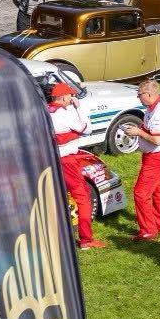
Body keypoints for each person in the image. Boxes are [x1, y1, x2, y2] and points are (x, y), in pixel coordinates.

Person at [48, 81, 102, 249]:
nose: (72, 98)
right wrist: (79, 108)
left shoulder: (47, 111)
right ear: (63, 97)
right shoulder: (62, 115)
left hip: (54, 158)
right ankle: (86, 239)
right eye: (70, 95)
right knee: (83, 197)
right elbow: (87, 128)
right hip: (67, 161)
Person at [123, 80, 160, 240]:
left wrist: (138, 133)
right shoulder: (159, 104)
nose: (138, 97)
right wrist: (140, 129)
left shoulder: (159, 113)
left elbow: (157, 140)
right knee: (159, 190)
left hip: (156, 157)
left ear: (148, 94)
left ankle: (148, 230)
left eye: (139, 94)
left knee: (140, 193)